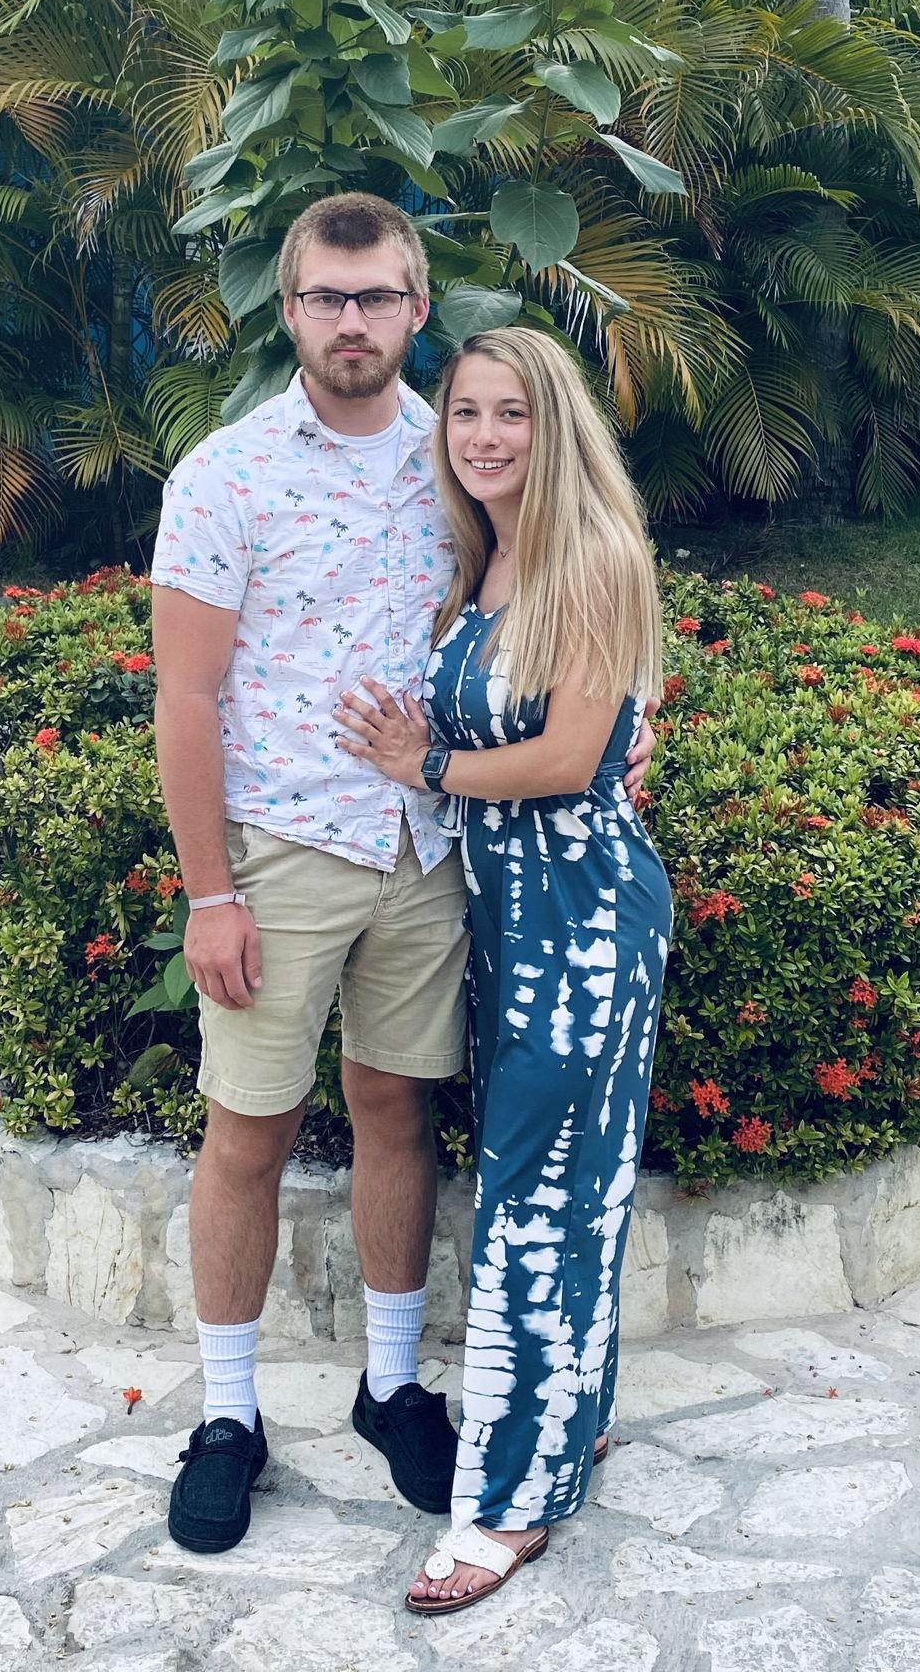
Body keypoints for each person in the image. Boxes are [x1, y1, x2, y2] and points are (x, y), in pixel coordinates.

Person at [149, 193, 652, 1555]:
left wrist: (625, 727)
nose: (352, 321)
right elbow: (185, 699)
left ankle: (389, 1387)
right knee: (248, 1129)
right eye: (326, 297)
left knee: (396, 1112)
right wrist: (210, 894)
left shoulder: (463, 456)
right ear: (290, 310)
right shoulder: (225, 477)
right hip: (287, 851)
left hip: (433, 856)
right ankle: (229, 1416)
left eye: (377, 297)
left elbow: (568, 603)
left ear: (418, 308)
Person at [334, 326, 671, 1616]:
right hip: (511, 926)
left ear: (556, 427)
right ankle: (569, 1423)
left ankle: (509, 1504)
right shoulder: (489, 557)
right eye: (466, 412)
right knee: (564, 1187)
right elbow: (607, 713)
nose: (483, 436)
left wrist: (422, 764)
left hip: (584, 922)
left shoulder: (591, 556)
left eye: (511, 413)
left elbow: (568, 760)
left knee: (536, 1201)